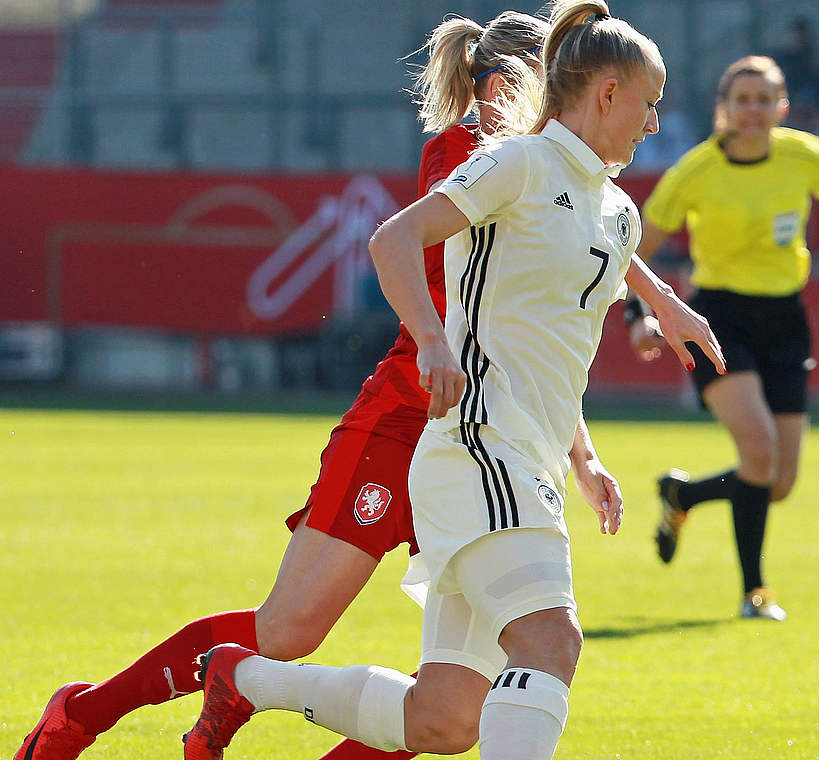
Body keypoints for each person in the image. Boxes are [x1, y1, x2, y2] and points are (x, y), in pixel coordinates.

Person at [179, 2, 724, 759]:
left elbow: (548, 346)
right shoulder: (514, 161)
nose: (655, 122)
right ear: (606, 92)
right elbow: (394, 237)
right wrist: (433, 342)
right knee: (552, 642)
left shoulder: (617, 211)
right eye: (649, 102)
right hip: (479, 450)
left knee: (445, 721)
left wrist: (586, 454)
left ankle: (248, 681)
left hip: (526, 462)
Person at [12, 11, 550, 760]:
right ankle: (82, 715)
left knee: (461, 703)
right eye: (551, 87)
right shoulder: (466, 154)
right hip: (407, 422)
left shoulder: (555, 178)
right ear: (499, 89)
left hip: (491, 446)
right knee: (289, 632)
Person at [626, 55, 819, 621]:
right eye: (742, 100)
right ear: (725, 108)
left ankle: (684, 496)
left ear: (781, 107)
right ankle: (754, 593)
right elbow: (635, 245)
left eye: (764, 100)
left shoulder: (806, 156)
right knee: (759, 452)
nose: (752, 110)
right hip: (717, 319)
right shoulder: (695, 170)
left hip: (785, 322)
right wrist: (637, 315)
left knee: (779, 481)